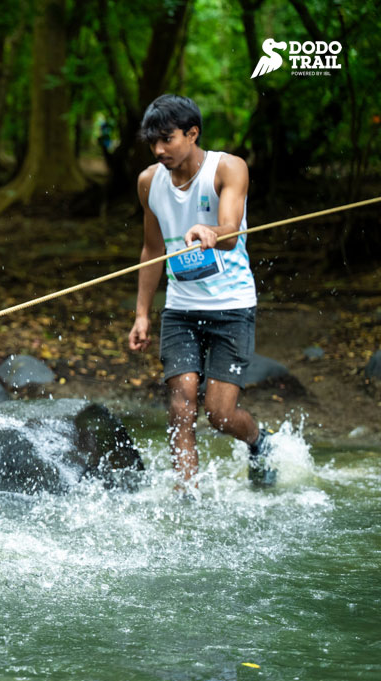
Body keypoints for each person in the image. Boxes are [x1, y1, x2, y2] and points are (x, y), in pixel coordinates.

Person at [127, 93, 276, 492]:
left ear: (192, 133)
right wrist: (142, 313)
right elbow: (152, 250)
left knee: (220, 414)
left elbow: (231, 232)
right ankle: (186, 495)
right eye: (152, 142)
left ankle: (261, 443)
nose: (159, 150)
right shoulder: (148, 182)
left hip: (232, 305)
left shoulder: (228, 168)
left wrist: (212, 232)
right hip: (180, 309)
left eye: (167, 139)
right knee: (181, 403)